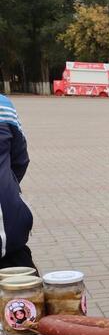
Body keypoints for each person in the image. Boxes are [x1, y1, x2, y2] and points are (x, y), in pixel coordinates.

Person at [0, 94, 34, 268]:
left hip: (9, 243)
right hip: (8, 237)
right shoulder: (3, 105)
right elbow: (19, 160)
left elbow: (19, 160)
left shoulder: (3, 106)